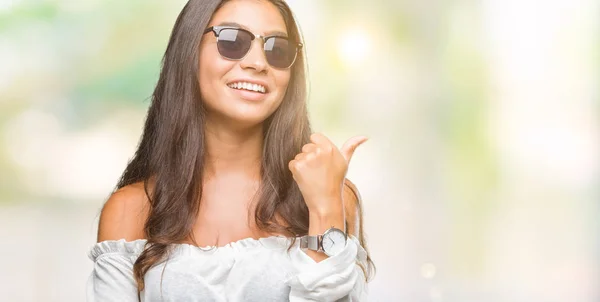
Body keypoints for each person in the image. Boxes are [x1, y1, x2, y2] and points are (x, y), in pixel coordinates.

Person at [86, 0, 374, 301]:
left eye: (276, 48)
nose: (258, 63)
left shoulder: (332, 197)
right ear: (189, 52)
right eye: (232, 41)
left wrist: (324, 208)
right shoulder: (131, 209)